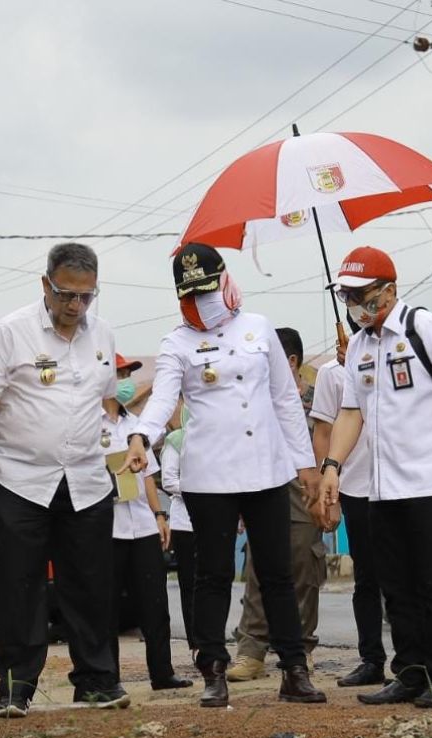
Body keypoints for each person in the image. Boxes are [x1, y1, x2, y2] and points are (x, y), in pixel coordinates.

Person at [123, 243, 325, 708]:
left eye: (208, 289)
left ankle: (294, 669)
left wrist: (306, 466)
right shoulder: (177, 342)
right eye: (191, 294)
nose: (202, 301)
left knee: (277, 573)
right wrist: (141, 436)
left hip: (267, 470)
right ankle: (213, 670)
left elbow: (285, 400)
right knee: (213, 576)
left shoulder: (259, 329)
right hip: (209, 475)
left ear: (225, 281)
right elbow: (162, 398)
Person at [0, 243, 127, 718]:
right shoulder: (10, 333)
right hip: (21, 479)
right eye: (66, 295)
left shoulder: (104, 336)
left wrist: (124, 448)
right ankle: (16, 689)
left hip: (88, 480)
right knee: (20, 584)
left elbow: (108, 403)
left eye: (86, 297)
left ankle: (97, 681)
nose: (75, 306)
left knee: (91, 584)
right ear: (45, 286)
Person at [317, 245, 432, 710]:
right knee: (396, 586)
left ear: (390, 290)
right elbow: (351, 413)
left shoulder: (423, 329)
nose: (355, 304)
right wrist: (333, 466)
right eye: (347, 296)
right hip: (380, 488)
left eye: (362, 294)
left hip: (428, 483)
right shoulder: (361, 348)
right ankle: (409, 673)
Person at [226, 328, 327, 681]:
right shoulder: (253, 401)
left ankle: (300, 648)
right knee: (257, 566)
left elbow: (324, 442)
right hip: (261, 483)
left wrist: (328, 491)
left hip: (304, 485)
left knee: (304, 563)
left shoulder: (316, 401)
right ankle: (251, 650)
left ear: (291, 362)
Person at [102, 354, 191, 690]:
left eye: (128, 374)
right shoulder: (90, 425)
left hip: (142, 522)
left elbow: (150, 477)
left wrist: (159, 515)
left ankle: (162, 672)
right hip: (108, 526)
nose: (126, 381)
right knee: (108, 606)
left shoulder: (134, 425)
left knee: (154, 602)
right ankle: (107, 675)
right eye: (121, 374)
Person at [310, 334, 389, 688]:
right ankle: (371, 658)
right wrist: (331, 489)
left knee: (404, 577)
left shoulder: (398, 355)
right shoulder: (331, 373)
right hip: (357, 485)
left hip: (400, 482)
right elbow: (324, 430)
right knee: (367, 580)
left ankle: (413, 660)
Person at [160, 409, 197, 660]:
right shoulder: (176, 441)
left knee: (215, 582)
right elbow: (168, 480)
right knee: (190, 585)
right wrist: (199, 488)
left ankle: (213, 640)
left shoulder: (215, 441)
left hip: (213, 520)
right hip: (185, 522)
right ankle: (197, 645)